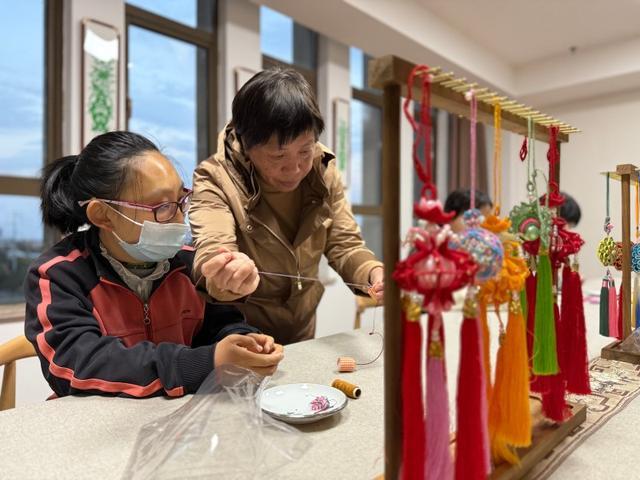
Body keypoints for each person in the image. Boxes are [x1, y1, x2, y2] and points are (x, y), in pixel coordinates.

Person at [24, 131, 283, 399]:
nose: (180, 219)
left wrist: (245, 344)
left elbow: (221, 326)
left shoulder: (186, 264)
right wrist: (207, 361)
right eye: (162, 207)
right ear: (103, 215)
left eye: (181, 200)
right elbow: (78, 367)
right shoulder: (57, 275)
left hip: (178, 416)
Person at [189, 68, 383, 344]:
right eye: (278, 156)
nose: (295, 168)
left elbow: (345, 244)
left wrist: (373, 272)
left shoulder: (322, 171)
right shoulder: (214, 178)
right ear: (246, 145)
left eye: (305, 150)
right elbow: (213, 246)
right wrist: (226, 272)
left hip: (302, 325)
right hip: (238, 332)